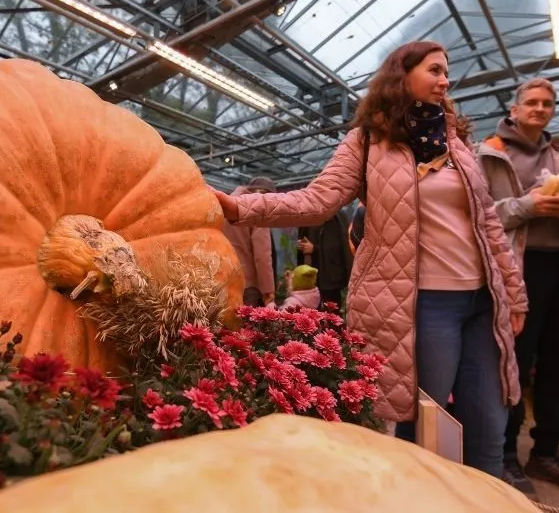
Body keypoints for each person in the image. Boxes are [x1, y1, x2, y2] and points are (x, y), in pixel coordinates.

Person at [213, 40, 528, 478]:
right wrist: (242, 208)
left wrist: (514, 293)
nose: (445, 80)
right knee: (428, 427)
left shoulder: (457, 144)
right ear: (403, 75)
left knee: (488, 425)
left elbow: (489, 224)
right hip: (423, 305)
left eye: (446, 72)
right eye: (435, 70)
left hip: (482, 303)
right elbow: (318, 200)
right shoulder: (367, 143)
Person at [477, 78, 559, 500]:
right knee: (515, 362)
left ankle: (547, 451)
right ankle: (506, 453)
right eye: (531, 102)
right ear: (514, 109)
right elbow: (478, 217)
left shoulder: (558, 152)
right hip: (517, 269)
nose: (540, 108)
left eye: (547, 103)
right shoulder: (490, 152)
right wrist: (528, 206)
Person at [221, 177, 277, 307]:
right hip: (248, 284)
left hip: (224, 280)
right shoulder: (258, 208)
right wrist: (268, 291)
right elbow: (262, 255)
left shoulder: (226, 205)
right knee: (248, 325)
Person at [296, 212, 353, 308]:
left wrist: (314, 248)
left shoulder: (336, 217)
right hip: (310, 275)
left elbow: (339, 248)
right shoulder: (308, 215)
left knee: (331, 312)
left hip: (330, 277)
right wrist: (303, 245)